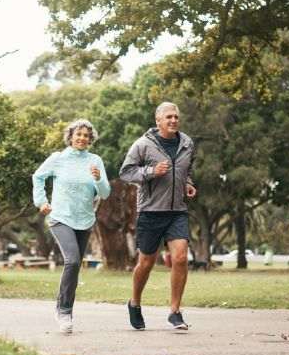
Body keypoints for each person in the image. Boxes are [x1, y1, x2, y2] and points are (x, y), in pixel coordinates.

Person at [119, 102, 197, 330]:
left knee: (181, 257)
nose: (173, 120)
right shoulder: (143, 145)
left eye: (176, 117)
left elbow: (187, 168)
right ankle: (134, 303)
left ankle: (175, 311)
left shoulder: (187, 143)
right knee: (146, 263)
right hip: (151, 212)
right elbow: (126, 172)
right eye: (169, 117)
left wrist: (188, 183)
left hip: (177, 211)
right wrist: (152, 171)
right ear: (158, 121)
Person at [32, 119, 111, 334]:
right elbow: (38, 177)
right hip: (60, 217)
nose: (82, 138)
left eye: (86, 135)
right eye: (79, 134)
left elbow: (104, 193)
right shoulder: (58, 159)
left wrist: (98, 179)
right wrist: (41, 201)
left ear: (90, 139)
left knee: (75, 266)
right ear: (71, 136)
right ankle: (64, 311)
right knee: (73, 260)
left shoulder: (95, 160)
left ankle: (64, 306)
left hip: (85, 220)